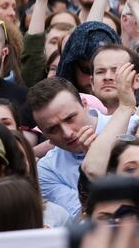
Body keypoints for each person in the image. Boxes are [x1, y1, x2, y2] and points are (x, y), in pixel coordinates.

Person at [27, 77, 103, 217]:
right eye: (53, 129)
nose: (67, 133)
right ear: (43, 134)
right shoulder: (47, 170)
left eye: (70, 118)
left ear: (85, 105)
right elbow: (85, 216)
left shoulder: (131, 127)